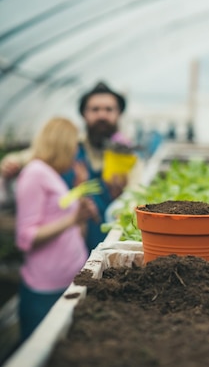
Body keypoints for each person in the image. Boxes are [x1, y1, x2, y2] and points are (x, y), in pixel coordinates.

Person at [1, 81, 135, 250]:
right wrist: (12, 162)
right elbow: (33, 155)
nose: (102, 115)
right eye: (95, 109)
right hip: (62, 244)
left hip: (109, 244)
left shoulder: (127, 156)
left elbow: (136, 194)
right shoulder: (71, 147)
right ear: (84, 114)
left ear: (118, 114)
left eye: (109, 109)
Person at [15, 117, 98, 342]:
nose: (75, 152)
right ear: (61, 144)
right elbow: (26, 237)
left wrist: (78, 204)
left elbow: (64, 221)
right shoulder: (34, 174)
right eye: (73, 145)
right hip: (45, 289)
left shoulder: (51, 174)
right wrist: (73, 219)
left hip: (66, 281)